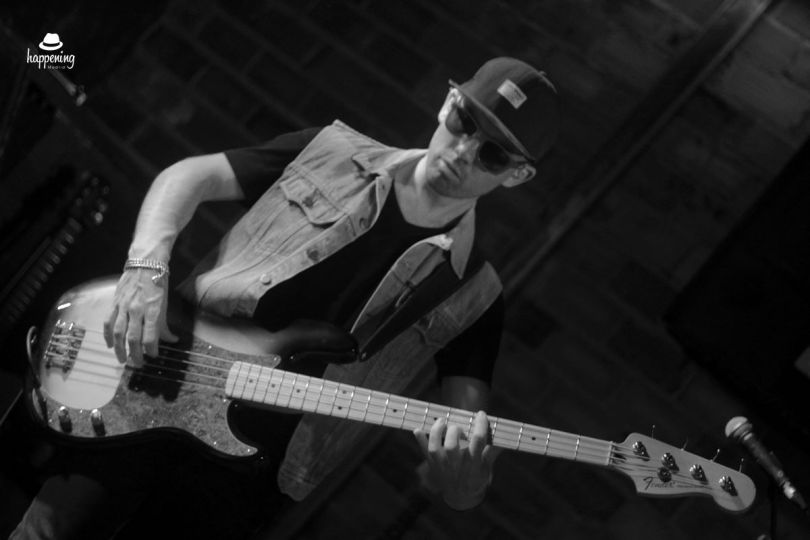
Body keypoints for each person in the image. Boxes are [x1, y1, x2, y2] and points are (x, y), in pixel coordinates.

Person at [12, 56, 559, 539]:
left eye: (491, 154)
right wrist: (145, 267)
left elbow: (462, 451)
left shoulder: (474, 293)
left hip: (247, 477)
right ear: (447, 104)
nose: (463, 151)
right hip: (156, 382)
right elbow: (190, 176)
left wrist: (463, 481)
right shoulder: (332, 152)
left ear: (518, 175)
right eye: (464, 122)